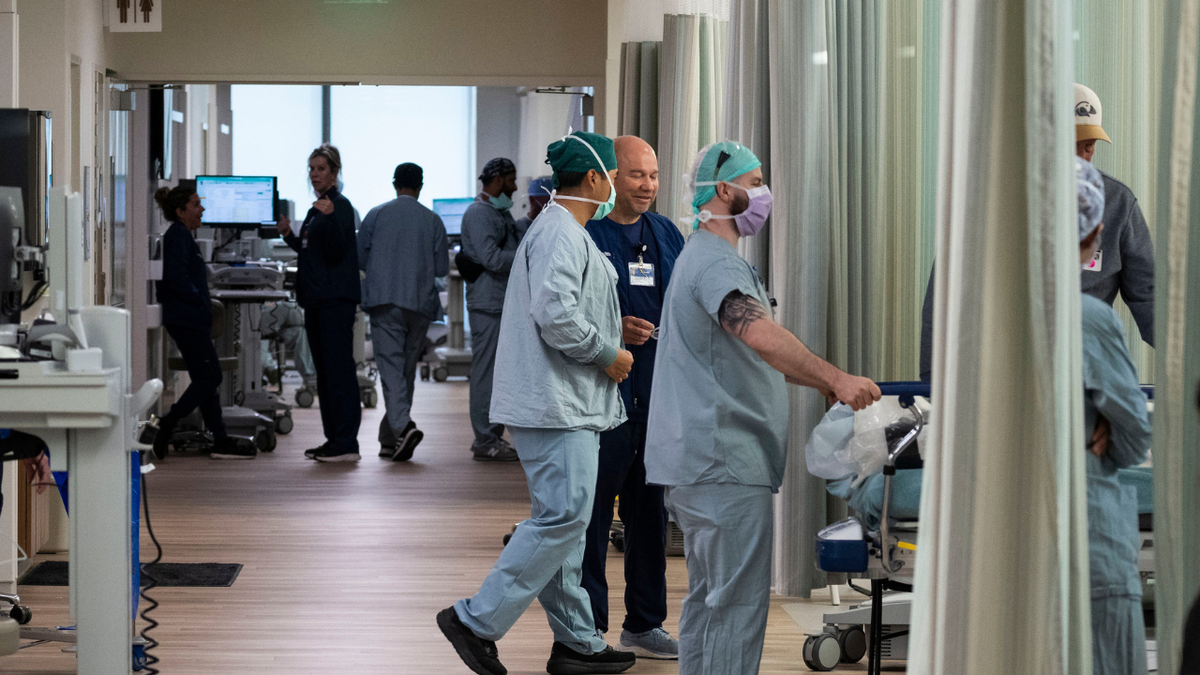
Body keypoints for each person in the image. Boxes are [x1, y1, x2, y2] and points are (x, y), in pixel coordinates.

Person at [643, 142, 880, 675]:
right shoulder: (712, 263)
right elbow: (758, 334)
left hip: (704, 461)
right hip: (722, 462)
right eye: (756, 180)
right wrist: (835, 376)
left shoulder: (711, 259)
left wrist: (822, 382)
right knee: (734, 609)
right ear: (724, 191)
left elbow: (759, 354)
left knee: (710, 603)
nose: (763, 192)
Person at [438, 131, 637, 675]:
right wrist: (606, 354)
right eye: (618, 174)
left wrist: (621, 330)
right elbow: (555, 315)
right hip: (554, 403)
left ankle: (576, 642)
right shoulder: (560, 234)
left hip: (564, 401)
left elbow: (571, 305)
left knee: (564, 524)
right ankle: (475, 620)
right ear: (596, 177)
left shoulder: (567, 231)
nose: (620, 184)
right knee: (562, 519)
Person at [919, 82, 1156, 382]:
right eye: (1072, 145)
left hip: (1084, 379)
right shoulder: (993, 202)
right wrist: (930, 383)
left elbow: (1150, 298)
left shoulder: (1118, 204)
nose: (1083, 157)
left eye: (1089, 145)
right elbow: (944, 297)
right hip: (1003, 374)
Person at [580, 135, 684, 659]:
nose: (648, 186)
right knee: (594, 517)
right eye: (638, 175)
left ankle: (644, 624)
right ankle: (588, 630)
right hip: (604, 400)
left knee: (650, 516)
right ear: (610, 177)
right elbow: (562, 313)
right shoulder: (585, 233)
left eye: (655, 175)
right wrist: (612, 326)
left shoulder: (665, 234)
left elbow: (687, 303)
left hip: (657, 399)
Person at [1076, 156, 1151, 675]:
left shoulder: (983, 312)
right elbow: (1130, 439)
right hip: (1088, 539)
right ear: (1098, 230)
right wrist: (1105, 407)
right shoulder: (1088, 319)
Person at [153, 184, 252, 460]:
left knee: (205, 380)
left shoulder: (183, 235)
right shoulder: (178, 237)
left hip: (190, 318)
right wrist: (198, 300)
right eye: (196, 205)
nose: (202, 209)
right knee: (211, 376)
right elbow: (177, 278)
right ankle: (167, 422)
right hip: (186, 319)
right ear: (180, 211)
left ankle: (220, 438)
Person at [277, 144, 363, 463]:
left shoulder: (339, 207)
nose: (315, 174)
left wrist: (331, 220)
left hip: (334, 302)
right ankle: (334, 439)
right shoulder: (318, 209)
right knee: (325, 373)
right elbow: (309, 249)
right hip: (316, 300)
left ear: (335, 172)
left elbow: (338, 250)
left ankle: (347, 442)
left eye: (321, 169)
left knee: (339, 371)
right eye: (311, 169)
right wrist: (288, 235)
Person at [358, 162, 449, 462]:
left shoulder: (376, 215)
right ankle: (390, 438)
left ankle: (403, 426)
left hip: (385, 302)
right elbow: (440, 268)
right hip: (420, 304)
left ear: (394, 184)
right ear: (420, 186)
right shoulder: (433, 220)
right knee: (405, 372)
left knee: (391, 371)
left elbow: (359, 258)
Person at [460, 157, 520, 462]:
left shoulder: (499, 213)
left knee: (499, 373)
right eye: (511, 180)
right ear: (497, 180)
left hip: (500, 302)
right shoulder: (479, 214)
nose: (515, 186)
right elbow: (493, 259)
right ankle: (485, 438)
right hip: (488, 303)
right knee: (486, 373)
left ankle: (493, 434)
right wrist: (525, 254)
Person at [515, 176, 553, 240]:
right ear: (532, 200)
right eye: (549, 201)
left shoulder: (553, 226)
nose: (552, 205)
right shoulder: (518, 228)